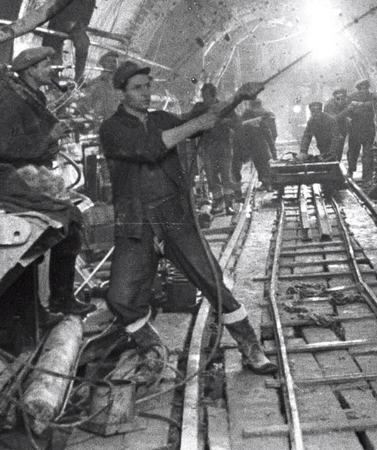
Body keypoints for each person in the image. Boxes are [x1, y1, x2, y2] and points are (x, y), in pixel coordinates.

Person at [98, 61, 276, 375]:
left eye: (148, 86)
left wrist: (237, 97)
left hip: (174, 215)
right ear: (121, 94)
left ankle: (251, 347)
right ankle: (151, 345)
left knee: (213, 282)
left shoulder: (162, 119)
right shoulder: (112, 129)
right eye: (137, 88)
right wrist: (196, 124)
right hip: (136, 221)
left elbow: (203, 118)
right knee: (120, 296)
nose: (146, 93)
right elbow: (152, 149)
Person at [0, 46, 91, 317]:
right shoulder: (11, 102)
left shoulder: (31, 97)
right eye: (46, 65)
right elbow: (5, 147)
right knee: (51, 236)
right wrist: (49, 136)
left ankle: (53, 302)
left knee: (68, 231)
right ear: (30, 71)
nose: (51, 69)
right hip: (17, 180)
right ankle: (43, 306)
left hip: (34, 175)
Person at [189, 82, 241, 213]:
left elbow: (237, 122)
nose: (205, 99)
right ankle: (219, 202)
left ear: (214, 95)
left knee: (226, 174)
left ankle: (229, 203)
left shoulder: (225, 107)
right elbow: (190, 122)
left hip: (224, 144)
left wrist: (224, 122)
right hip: (207, 146)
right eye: (203, 95)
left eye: (207, 96)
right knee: (211, 175)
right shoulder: (198, 109)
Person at [236, 97, 277, 188]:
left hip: (253, 143)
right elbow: (273, 132)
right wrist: (272, 145)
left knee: (259, 163)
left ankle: (265, 181)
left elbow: (242, 130)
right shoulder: (267, 114)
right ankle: (268, 181)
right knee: (266, 162)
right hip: (264, 142)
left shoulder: (247, 114)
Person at [341, 80, 376, 179]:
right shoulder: (352, 97)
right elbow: (347, 110)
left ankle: (367, 175)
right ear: (358, 88)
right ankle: (351, 171)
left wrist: (361, 104)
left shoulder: (372, 96)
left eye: (366, 87)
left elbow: (375, 104)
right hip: (355, 128)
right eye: (362, 88)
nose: (364, 90)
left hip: (368, 128)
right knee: (353, 152)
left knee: (368, 153)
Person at [324, 88, 351, 166]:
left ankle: (336, 167)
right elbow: (333, 119)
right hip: (331, 131)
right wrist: (347, 110)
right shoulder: (329, 105)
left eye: (343, 98)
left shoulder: (345, 103)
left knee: (339, 151)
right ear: (335, 96)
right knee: (333, 151)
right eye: (339, 98)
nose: (341, 100)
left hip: (342, 130)